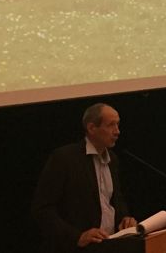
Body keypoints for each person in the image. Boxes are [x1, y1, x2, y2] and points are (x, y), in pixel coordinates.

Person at [33, 103, 138, 252]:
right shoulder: (65, 158)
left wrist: (125, 218)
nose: (117, 131)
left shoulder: (112, 159)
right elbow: (43, 209)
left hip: (111, 245)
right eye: (111, 125)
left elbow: (114, 200)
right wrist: (77, 237)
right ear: (91, 128)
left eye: (118, 125)